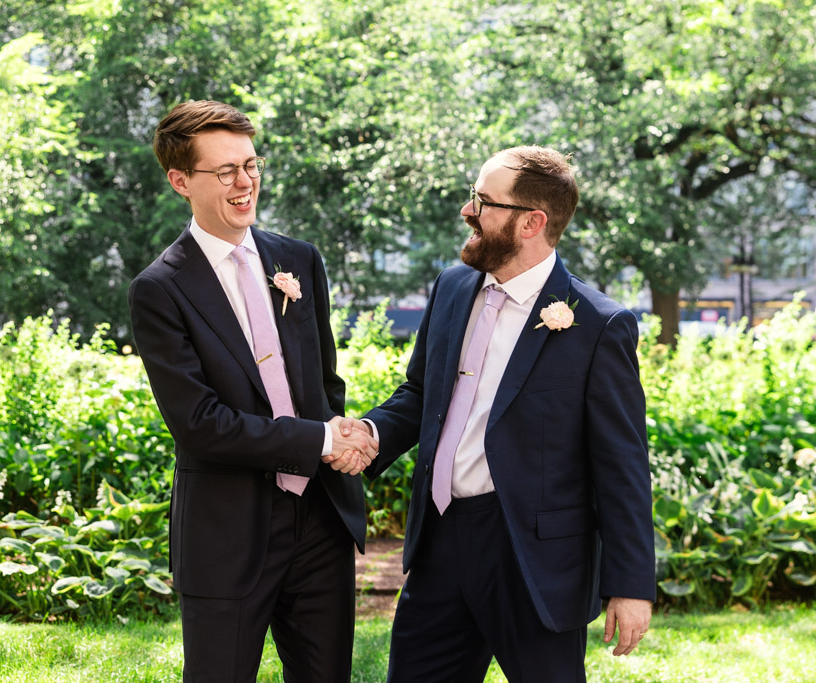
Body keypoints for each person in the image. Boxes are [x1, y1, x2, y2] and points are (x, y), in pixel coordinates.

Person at [337, 146, 655, 682]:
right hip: (439, 542)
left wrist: (630, 584)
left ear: (532, 222)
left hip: (534, 561)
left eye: (483, 201)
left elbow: (621, 463)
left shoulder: (599, 325)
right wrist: (371, 431)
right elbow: (420, 394)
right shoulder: (452, 286)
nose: (468, 211)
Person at [128, 100, 378, 683]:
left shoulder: (298, 260)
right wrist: (321, 438)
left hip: (320, 521)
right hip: (228, 530)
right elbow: (200, 423)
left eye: (251, 165)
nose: (245, 184)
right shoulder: (159, 290)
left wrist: (339, 440)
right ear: (180, 181)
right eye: (225, 172)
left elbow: (324, 382)